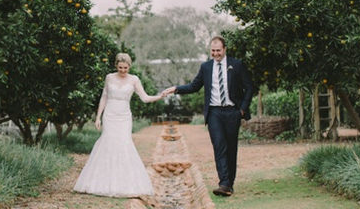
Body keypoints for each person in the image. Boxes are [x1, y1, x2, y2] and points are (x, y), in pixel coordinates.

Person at [163, 36, 253, 196]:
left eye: (218, 50)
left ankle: (229, 183)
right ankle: (224, 183)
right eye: (213, 51)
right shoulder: (206, 67)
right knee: (219, 146)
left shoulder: (237, 65)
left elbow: (249, 87)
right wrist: (176, 88)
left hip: (233, 111)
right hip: (214, 113)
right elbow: (194, 86)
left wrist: (242, 110)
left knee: (231, 149)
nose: (216, 53)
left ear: (224, 49)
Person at [73, 52, 165, 197]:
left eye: (125, 68)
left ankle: (125, 183)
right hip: (109, 115)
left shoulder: (134, 79)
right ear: (116, 65)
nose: (123, 70)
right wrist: (98, 117)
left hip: (124, 117)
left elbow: (145, 98)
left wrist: (160, 96)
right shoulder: (109, 77)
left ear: (129, 67)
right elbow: (104, 97)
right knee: (108, 143)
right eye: (120, 67)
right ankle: (102, 182)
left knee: (124, 144)